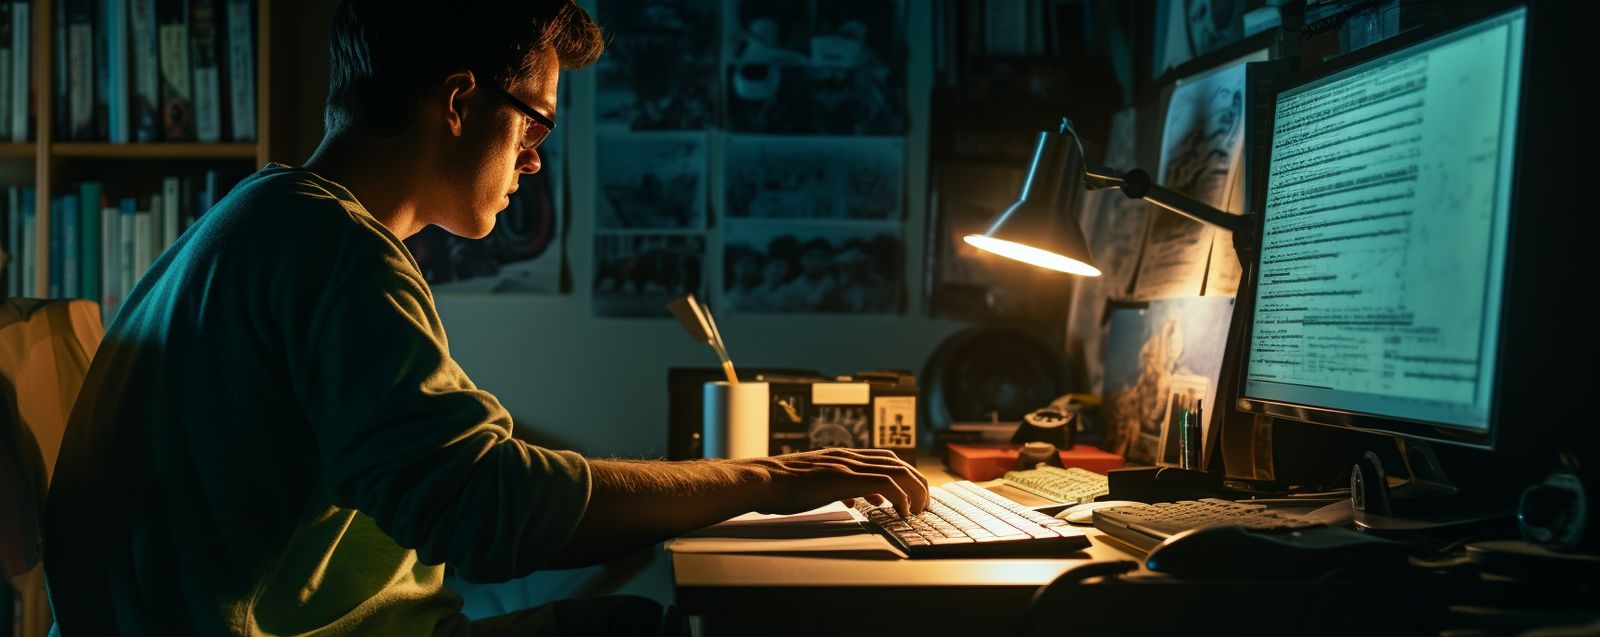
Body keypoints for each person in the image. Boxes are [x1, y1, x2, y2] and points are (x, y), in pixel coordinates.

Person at [42, 2, 929, 635]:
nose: (536, 162)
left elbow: (452, 476)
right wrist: (768, 479)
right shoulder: (334, 252)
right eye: (536, 125)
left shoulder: (263, 215)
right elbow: (484, 508)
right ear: (460, 101)